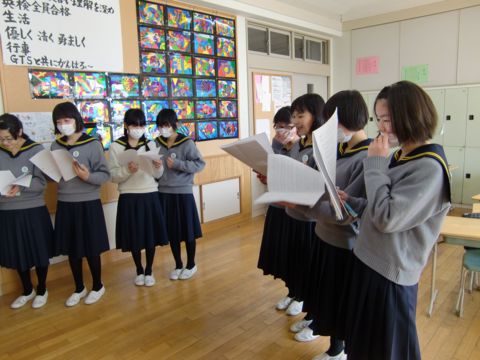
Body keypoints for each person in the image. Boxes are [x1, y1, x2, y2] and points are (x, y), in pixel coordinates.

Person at [344, 81, 451, 360]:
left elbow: (388, 218)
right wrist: (352, 202)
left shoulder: (429, 167)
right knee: (364, 345)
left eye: (388, 120)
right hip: (369, 262)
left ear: (411, 116)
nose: (382, 128)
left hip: (391, 274)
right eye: (379, 120)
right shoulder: (400, 155)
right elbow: (379, 204)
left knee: (388, 350)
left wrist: (375, 164)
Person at [288, 90, 370, 358]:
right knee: (324, 293)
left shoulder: (367, 157)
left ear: (345, 120)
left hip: (344, 243)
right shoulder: (337, 148)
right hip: (324, 235)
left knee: (339, 300)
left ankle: (337, 351)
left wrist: (300, 203)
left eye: (331, 121)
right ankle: (326, 336)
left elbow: (345, 211)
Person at [51, 102, 111, 307]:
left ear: (76, 120)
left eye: (66, 121)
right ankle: (79, 287)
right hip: (65, 203)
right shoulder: (56, 146)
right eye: (58, 122)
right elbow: (53, 176)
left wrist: (88, 177)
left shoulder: (92, 143)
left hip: (88, 202)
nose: (62, 125)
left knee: (91, 248)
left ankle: (97, 286)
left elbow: (104, 175)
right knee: (72, 249)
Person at [108, 108, 168, 287]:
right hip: (129, 196)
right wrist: (128, 170)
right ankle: (138, 270)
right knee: (134, 236)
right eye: (134, 125)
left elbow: (159, 174)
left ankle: (149, 270)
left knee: (150, 236)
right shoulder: (115, 146)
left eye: (142, 125)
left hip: (150, 193)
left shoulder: (150, 145)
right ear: (126, 125)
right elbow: (112, 176)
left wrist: (158, 166)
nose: (138, 128)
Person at [0, 114, 53, 309]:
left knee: (39, 251)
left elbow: (42, 182)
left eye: (8, 138)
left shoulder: (35, 150)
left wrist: (21, 185)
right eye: (0, 139)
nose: (4, 143)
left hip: (33, 209)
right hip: (7, 211)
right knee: (17, 252)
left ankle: (41, 289)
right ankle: (27, 290)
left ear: (19, 132)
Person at [280, 93, 326, 317]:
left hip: (309, 218)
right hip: (292, 212)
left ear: (316, 116)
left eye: (301, 115)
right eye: (294, 115)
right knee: (294, 259)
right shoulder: (300, 142)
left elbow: (317, 184)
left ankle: (304, 299)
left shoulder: (321, 145)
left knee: (308, 263)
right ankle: (294, 293)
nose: (296, 121)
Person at [256, 106, 300, 309]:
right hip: (276, 206)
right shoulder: (274, 144)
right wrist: (266, 178)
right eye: (278, 127)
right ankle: (291, 292)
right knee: (283, 257)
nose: (281, 131)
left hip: (294, 209)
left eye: (287, 127)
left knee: (296, 256)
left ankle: (300, 297)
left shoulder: (301, 147)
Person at [155, 109, 205, 280]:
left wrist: (178, 164)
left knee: (188, 230)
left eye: (167, 125)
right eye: (161, 126)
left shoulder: (187, 143)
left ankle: (191, 264)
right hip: (163, 193)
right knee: (172, 232)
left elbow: (199, 164)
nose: (164, 129)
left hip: (183, 192)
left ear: (175, 125)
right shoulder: (156, 143)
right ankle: (178, 264)